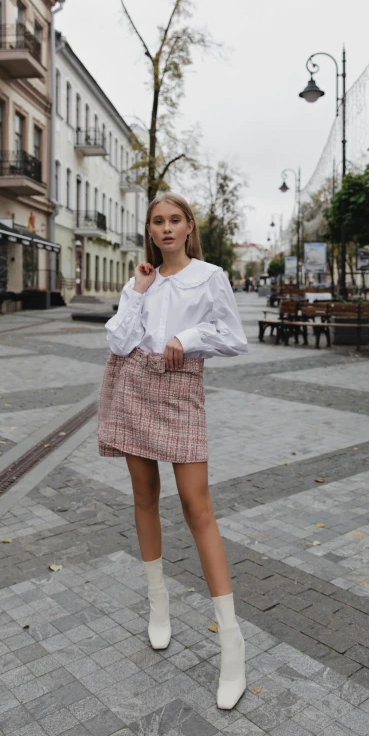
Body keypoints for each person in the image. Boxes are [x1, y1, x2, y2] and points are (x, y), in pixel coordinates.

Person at [98, 192, 249, 710]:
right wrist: (138, 291)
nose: (166, 229)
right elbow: (118, 342)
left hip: (181, 387)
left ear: (189, 227)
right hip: (134, 383)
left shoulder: (210, 276)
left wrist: (188, 336)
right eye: (157, 221)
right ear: (149, 229)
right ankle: (157, 605)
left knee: (196, 504)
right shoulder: (139, 280)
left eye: (174, 221)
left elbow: (233, 337)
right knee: (144, 493)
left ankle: (232, 642)